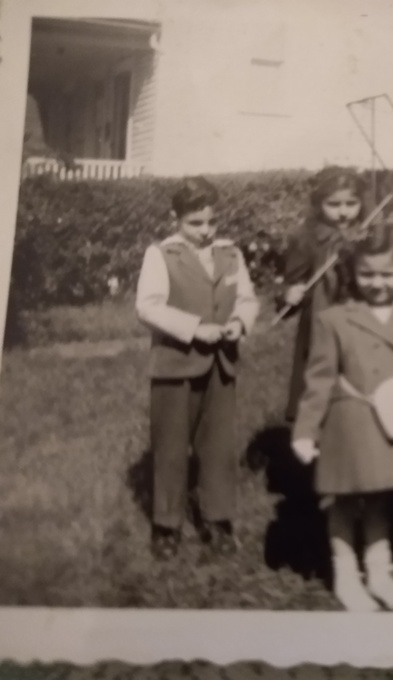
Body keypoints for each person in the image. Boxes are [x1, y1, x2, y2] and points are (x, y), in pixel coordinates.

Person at [291, 222, 393, 612]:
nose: (377, 283)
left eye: (387, 274)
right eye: (367, 274)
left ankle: (378, 572)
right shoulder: (335, 319)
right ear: (352, 273)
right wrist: (306, 431)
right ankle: (345, 574)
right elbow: (319, 379)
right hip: (350, 423)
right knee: (343, 500)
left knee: (379, 499)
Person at [135, 176, 260, 561]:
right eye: (195, 223)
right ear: (176, 219)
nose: (206, 231)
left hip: (221, 363)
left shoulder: (230, 253)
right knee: (171, 448)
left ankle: (218, 520)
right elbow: (148, 306)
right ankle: (166, 525)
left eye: (211, 221)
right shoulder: (161, 254)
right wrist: (194, 329)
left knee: (218, 447)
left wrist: (239, 323)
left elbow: (247, 298)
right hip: (175, 365)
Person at [282, 167, 367, 423]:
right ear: (319, 204)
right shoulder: (308, 239)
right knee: (321, 377)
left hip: (360, 317)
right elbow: (294, 280)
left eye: (351, 204)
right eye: (334, 204)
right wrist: (289, 294)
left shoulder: (366, 233)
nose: (343, 212)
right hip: (321, 319)